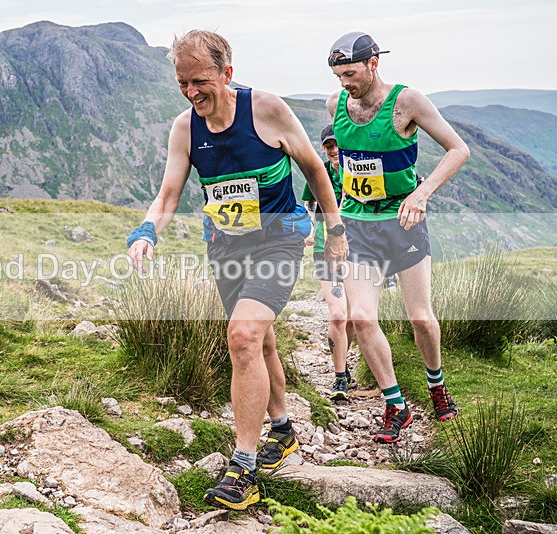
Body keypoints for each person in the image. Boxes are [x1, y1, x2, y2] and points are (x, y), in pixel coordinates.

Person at [126, 30, 348, 510]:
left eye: (200, 80)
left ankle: (243, 468)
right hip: (226, 247)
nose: (191, 92)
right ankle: (283, 429)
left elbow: (314, 168)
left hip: (279, 239)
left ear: (227, 73)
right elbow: (168, 194)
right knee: (260, 341)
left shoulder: (267, 110)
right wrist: (146, 231)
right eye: (182, 83)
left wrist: (335, 230)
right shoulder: (185, 128)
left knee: (243, 336)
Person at [325, 32, 470, 443]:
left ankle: (436, 384)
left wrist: (422, 194)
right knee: (361, 317)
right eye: (338, 76)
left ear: (373, 63)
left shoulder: (407, 102)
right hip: (357, 224)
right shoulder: (336, 105)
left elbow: (458, 150)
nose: (345, 83)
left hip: (402, 222)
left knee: (420, 318)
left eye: (350, 73)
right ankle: (395, 405)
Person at [301, 124, 356, 401]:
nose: (334, 150)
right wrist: (308, 231)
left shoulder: (358, 170)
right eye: (328, 146)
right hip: (325, 249)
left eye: (337, 144)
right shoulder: (319, 173)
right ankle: (340, 376)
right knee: (338, 314)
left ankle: (342, 356)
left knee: (355, 318)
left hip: (358, 250)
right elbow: (309, 207)